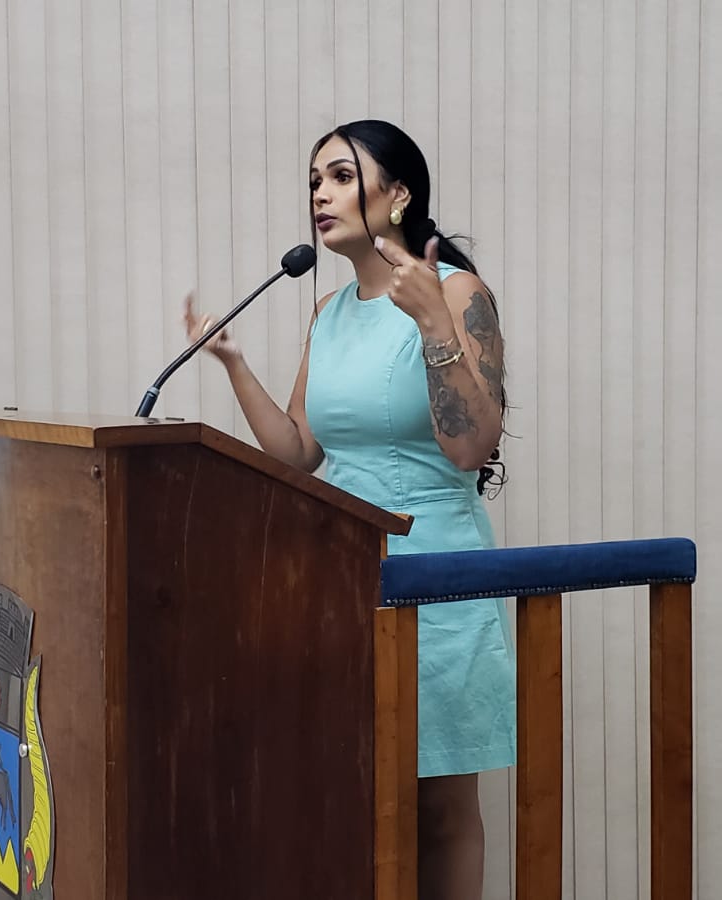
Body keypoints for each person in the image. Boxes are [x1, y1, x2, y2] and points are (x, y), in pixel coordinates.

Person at [181, 119, 516, 900]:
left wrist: (432, 323)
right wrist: (233, 365)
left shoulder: (458, 293)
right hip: (343, 579)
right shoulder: (328, 311)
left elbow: (471, 447)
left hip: (437, 575)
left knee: (439, 806)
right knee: (359, 792)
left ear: (397, 194)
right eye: (313, 182)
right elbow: (300, 452)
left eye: (339, 176)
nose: (320, 195)